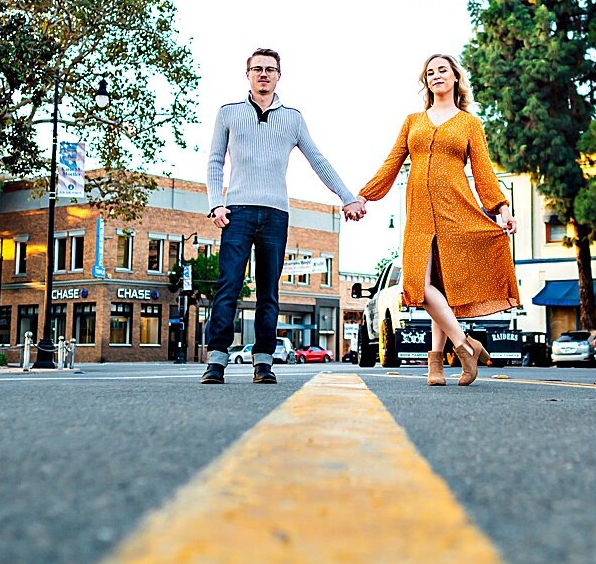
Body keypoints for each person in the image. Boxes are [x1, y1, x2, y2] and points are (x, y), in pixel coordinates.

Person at [202, 47, 366, 385]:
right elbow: (215, 161)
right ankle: (216, 362)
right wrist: (215, 204)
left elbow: (318, 160)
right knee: (228, 286)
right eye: (257, 69)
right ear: (247, 74)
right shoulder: (228, 113)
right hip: (237, 212)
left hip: (276, 215)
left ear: (279, 76)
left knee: (268, 292)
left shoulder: (293, 118)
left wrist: (348, 198)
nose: (264, 74)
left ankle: (263, 362)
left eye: (270, 69)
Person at [356, 53, 519, 386]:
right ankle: (464, 344)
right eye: (430, 72)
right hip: (418, 213)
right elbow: (392, 163)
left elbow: (483, 172)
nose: (436, 76)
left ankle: (435, 366)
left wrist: (501, 208)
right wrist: (365, 195)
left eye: (442, 70)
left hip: (456, 210)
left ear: (455, 77)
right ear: (426, 81)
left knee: (441, 289)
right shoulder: (413, 121)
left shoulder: (470, 123)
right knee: (418, 283)